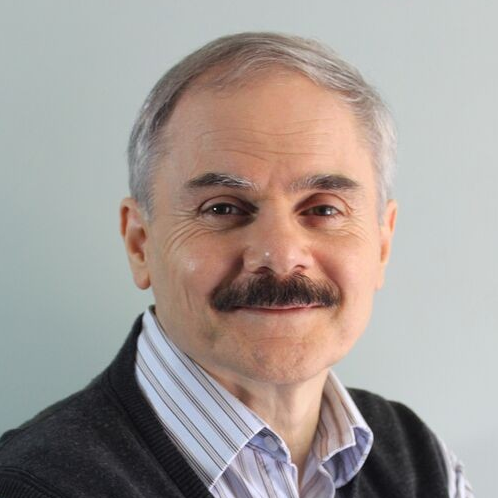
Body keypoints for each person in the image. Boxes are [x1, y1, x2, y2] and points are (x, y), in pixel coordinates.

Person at [0, 32, 473, 498]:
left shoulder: (422, 463)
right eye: (223, 208)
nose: (280, 255)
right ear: (140, 244)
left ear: (383, 243)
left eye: (324, 209)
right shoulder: (32, 486)